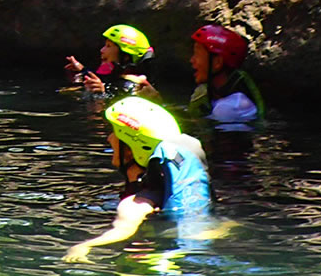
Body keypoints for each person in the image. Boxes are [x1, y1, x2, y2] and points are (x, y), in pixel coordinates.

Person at [64, 96, 211, 262]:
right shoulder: (176, 190)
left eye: (113, 132)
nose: (109, 138)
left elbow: (123, 230)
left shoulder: (135, 204)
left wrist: (84, 246)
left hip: (160, 252)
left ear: (130, 149)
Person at [190, 24, 264, 128]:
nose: (192, 60)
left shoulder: (231, 107)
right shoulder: (211, 93)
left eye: (197, 54)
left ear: (217, 62)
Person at [64, 23, 154, 99]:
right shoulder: (117, 78)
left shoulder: (137, 85)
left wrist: (101, 94)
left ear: (125, 56)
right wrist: (82, 70)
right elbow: (104, 81)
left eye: (108, 46)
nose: (102, 50)